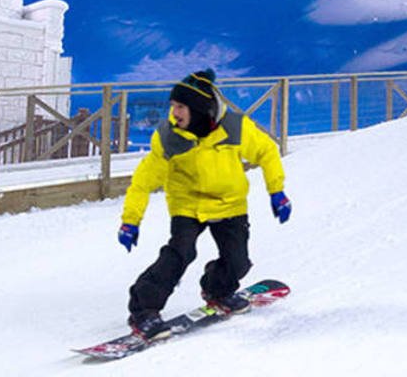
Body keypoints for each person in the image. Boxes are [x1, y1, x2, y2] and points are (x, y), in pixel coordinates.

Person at [117, 69, 291, 340]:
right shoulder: (168, 137)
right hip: (188, 205)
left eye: (180, 107)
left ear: (199, 109)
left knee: (238, 262)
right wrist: (131, 220)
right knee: (180, 253)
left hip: (229, 204)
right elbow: (143, 180)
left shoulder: (235, 127)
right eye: (172, 106)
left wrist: (276, 191)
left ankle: (217, 289)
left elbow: (267, 151)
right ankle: (143, 311)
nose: (174, 113)